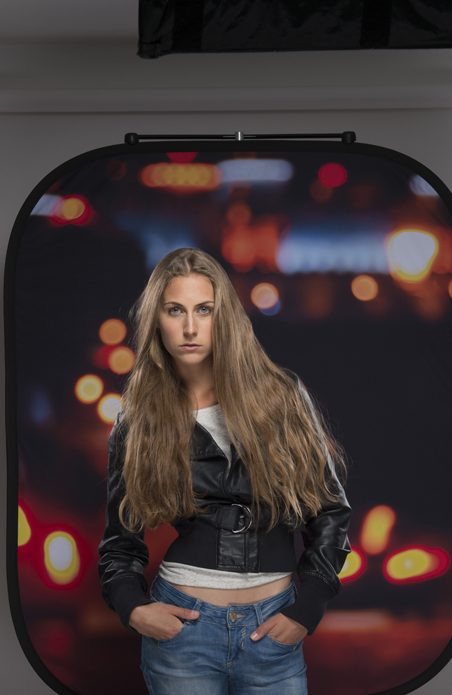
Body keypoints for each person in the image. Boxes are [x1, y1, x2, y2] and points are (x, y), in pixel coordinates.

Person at [98, 247, 351, 695]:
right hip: (183, 631)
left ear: (226, 317)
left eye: (204, 310)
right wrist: (134, 609)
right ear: (157, 319)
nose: (190, 327)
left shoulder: (282, 396)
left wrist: (307, 608)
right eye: (175, 310)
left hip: (273, 626)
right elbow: (120, 544)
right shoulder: (138, 418)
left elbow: (329, 512)